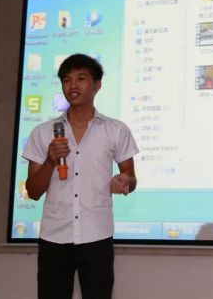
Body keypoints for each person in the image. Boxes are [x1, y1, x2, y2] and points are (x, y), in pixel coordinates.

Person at [23, 53, 138, 299]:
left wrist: (125, 181)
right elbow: (32, 191)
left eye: (81, 79)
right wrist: (50, 161)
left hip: (97, 235)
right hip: (54, 237)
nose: (72, 86)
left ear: (97, 85)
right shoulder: (42, 133)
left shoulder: (116, 130)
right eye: (66, 80)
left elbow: (131, 178)